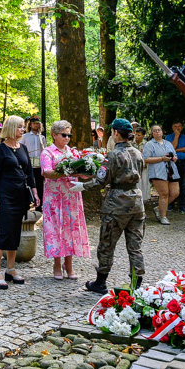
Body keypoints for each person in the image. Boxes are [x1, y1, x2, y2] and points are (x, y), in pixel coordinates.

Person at [71, 118, 145, 294]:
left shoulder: (112, 155)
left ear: (116, 133)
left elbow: (101, 181)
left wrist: (82, 186)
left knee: (107, 243)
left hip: (117, 204)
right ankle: (137, 285)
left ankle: (100, 282)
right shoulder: (137, 153)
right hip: (136, 201)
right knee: (135, 245)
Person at [0, 116, 39, 289]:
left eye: (23, 127)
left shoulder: (23, 148)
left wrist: (35, 193)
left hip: (20, 196)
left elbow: (29, 173)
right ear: (10, 128)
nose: (22, 130)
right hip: (4, 195)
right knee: (4, 231)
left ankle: (11, 268)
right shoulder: (0, 150)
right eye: (19, 127)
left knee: (15, 232)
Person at [40, 120, 90, 280]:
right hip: (54, 198)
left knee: (70, 229)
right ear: (54, 135)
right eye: (64, 135)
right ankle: (56, 264)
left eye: (69, 135)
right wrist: (66, 172)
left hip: (71, 196)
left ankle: (69, 264)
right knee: (56, 230)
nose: (67, 138)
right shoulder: (47, 152)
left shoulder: (74, 153)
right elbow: (47, 172)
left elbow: (79, 172)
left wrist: (90, 171)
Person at [142, 124, 179, 225]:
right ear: (152, 133)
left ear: (162, 132)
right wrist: (162, 158)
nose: (157, 132)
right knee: (164, 194)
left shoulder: (168, 143)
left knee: (175, 193)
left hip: (171, 171)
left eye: (159, 130)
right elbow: (145, 159)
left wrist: (174, 158)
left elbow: (175, 155)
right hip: (157, 171)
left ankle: (159, 208)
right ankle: (163, 216)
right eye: (155, 130)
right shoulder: (149, 145)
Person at [164, 120, 185, 213]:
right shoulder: (168, 137)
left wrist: (176, 149)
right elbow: (170, 149)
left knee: (183, 185)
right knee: (171, 184)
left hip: (184, 163)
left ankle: (182, 205)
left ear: (182, 127)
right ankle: (170, 204)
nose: (177, 128)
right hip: (172, 164)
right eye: (175, 126)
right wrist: (176, 136)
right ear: (172, 127)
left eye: (179, 126)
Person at [22, 116, 46, 210]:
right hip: (28, 164)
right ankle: (27, 203)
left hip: (39, 164)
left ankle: (39, 205)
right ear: (30, 125)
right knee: (27, 183)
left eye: (37, 124)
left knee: (39, 184)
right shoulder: (25, 136)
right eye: (34, 123)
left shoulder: (42, 137)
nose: (35, 125)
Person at [131, 126, 150, 203]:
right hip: (134, 166)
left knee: (144, 183)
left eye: (139, 135)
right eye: (136, 134)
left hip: (144, 167)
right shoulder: (131, 143)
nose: (137, 137)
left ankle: (144, 199)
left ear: (143, 136)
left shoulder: (147, 144)